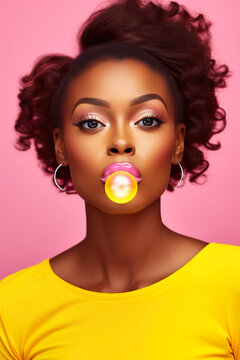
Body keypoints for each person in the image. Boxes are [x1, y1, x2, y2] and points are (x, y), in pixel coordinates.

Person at [1, 0, 239, 359]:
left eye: (146, 120)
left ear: (176, 143)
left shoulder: (233, 284)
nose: (121, 142)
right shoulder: (11, 307)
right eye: (92, 123)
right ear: (61, 147)